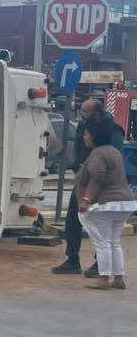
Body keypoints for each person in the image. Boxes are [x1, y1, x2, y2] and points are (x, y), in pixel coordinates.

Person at [52, 98, 124, 276]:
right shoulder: (84, 126)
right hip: (82, 181)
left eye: (84, 111)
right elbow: (79, 150)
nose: (80, 114)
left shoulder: (113, 130)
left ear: (95, 112)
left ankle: (101, 265)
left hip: (101, 187)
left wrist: (87, 196)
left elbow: (106, 166)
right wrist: (76, 165)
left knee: (101, 228)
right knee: (73, 220)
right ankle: (72, 259)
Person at [75, 117, 137, 290]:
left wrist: (86, 200)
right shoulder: (114, 151)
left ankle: (103, 279)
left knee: (102, 242)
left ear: (94, 136)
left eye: (86, 134)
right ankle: (118, 278)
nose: (84, 137)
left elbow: (97, 177)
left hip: (106, 204)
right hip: (124, 203)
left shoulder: (98, 153)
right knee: (114, 241)